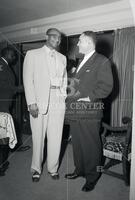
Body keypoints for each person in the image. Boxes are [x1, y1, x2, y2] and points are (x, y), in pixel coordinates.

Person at [65, 31, 113, 192]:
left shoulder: (101, 60)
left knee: (91, 146)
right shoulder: (81, 60)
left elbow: (107, 86)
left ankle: (92, 177)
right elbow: (80, 84)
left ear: (90, 43)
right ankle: (79, 170)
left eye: (80, 41)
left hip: (90, 112)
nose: (77, 44)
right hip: (75, 112)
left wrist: (90, 98)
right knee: (77, 144)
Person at [23, 28, 67, 182]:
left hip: (57, 101)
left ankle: (53, 168)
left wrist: (63, 98)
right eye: (54, 36)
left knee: (56, 136)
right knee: (38, 137)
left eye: (60, 38)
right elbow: (28, 79)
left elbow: (64, 80)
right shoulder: (32, 54)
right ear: (46, 37)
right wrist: (31, 102)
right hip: (38, 102)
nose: (57, 40)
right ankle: (36, 168)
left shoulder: (63, 58)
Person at [0, 46, 28, 176]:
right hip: (2, 106)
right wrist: (19, 88)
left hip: (5, 104)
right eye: (13, 55)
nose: (15, 57)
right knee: (3, 135)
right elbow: (5, 85)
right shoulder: (1, 65)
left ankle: (13, 148)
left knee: (4, 133)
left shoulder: (5, 65)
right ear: (7, 54)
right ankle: (2, 164)